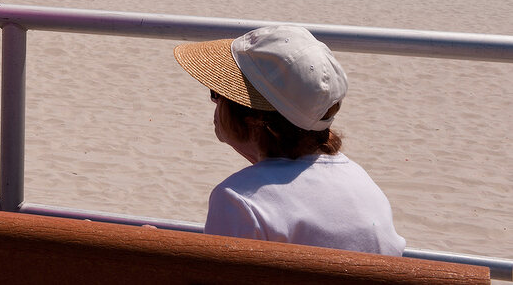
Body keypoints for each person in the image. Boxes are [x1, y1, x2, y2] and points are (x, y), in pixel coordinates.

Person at [172, 26, 405, 255]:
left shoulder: (240, 200)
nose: (215, 103)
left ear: (253, 117)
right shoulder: (362, 183)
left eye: (217, 93)